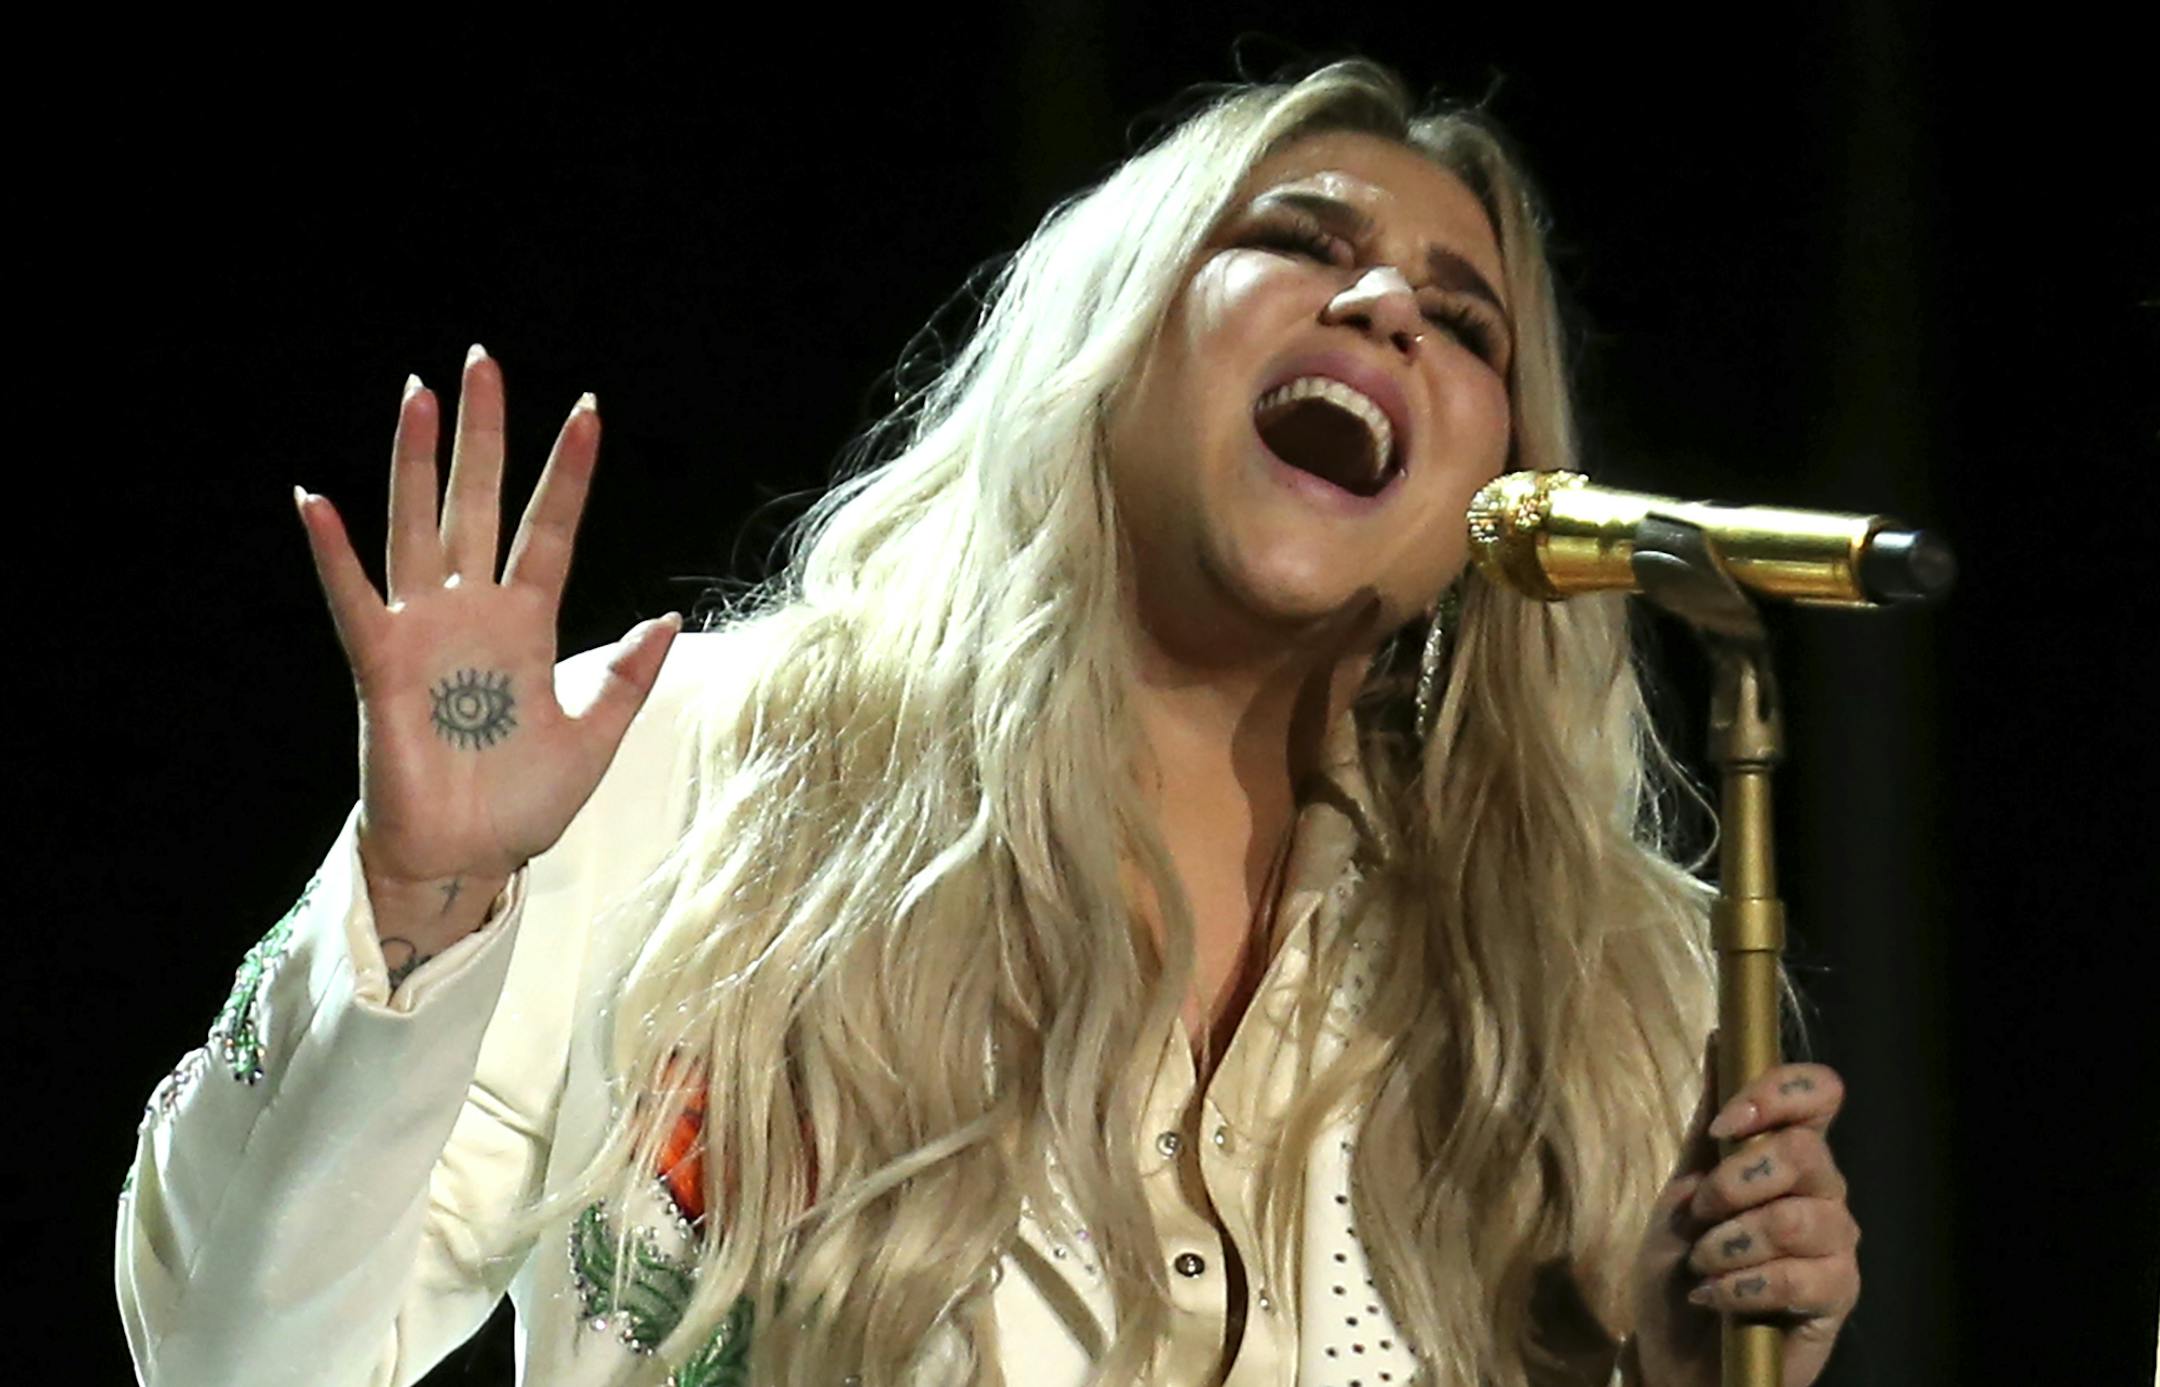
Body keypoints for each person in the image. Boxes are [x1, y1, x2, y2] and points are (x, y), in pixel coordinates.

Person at [116, 59, 1861, 1387]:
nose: (1385, 307)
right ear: (1106, 334)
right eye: (1295, 241)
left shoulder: (1597, 987)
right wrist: (425, 915)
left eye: (1463, 320)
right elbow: (231, 1356)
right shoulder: (683, 770)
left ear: (1501, 484)